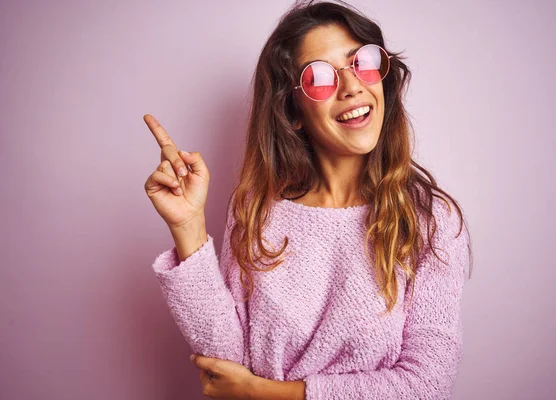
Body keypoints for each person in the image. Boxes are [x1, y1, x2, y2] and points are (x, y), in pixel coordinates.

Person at [143, 1, 473, 399]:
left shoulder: (429, 219)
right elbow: (225, 364)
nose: (352, 86)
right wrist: (187, 226)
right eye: (319, 77)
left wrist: (265, 394)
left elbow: (426, 384)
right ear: (292, 110)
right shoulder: (256, 209)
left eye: (363, 62)